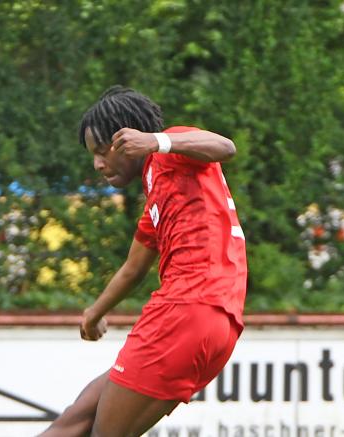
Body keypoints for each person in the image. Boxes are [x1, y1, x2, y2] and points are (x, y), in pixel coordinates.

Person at [39, 86, 247, 437]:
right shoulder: (159, 198)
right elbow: (132, 269)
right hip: (213, 320)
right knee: (77, 418)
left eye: (101, 151)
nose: (97, 164)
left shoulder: (171, 148)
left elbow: (225, 147)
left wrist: (157, 141)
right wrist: (95, 312)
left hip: (185, 310)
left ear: (128, 138)